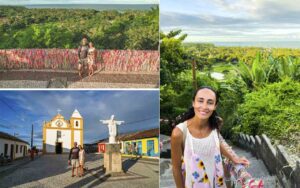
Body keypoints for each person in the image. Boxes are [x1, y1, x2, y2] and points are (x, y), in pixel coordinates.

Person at [171, 86, 250, 188]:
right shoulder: (179, 133)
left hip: (216, 182)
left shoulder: (215, 124)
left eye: (209, 102)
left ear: (215, 106)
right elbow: (176, 169)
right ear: (193, 103)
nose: (204, 106)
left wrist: (233, 158)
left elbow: (217, 142)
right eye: (200, 101)